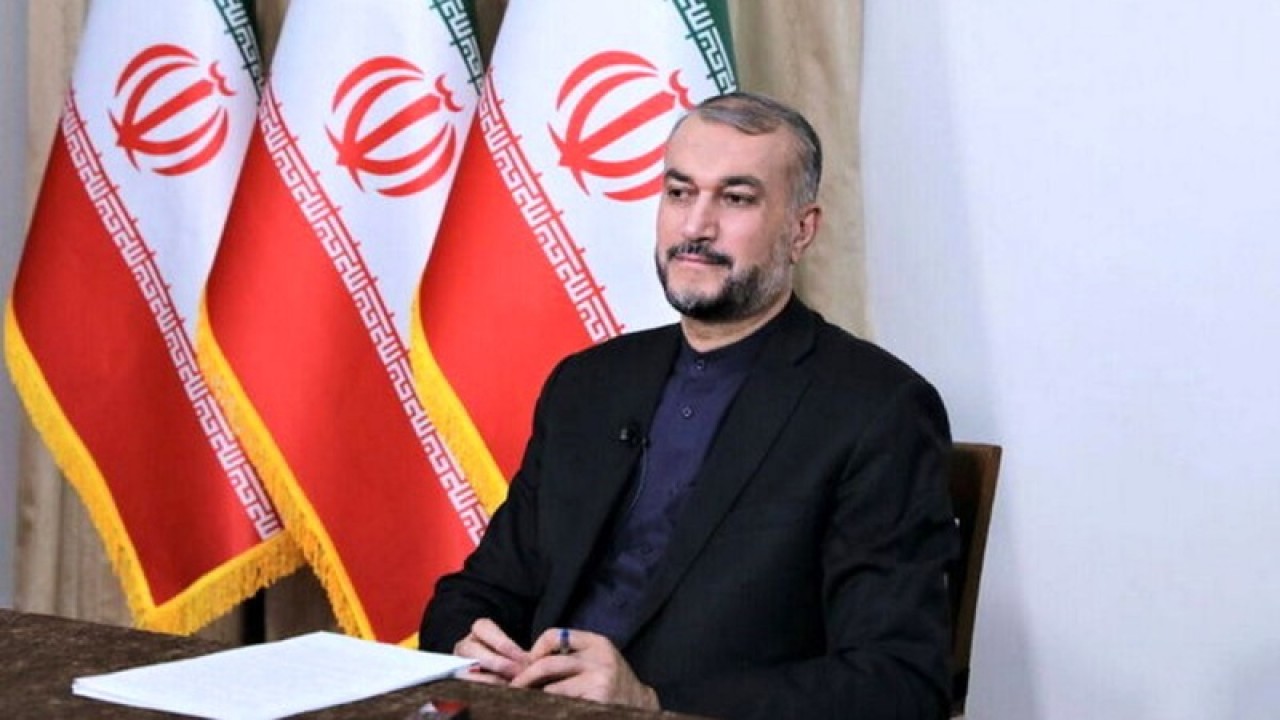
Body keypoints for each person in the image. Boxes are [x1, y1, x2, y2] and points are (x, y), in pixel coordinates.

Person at [420, 91, 957, 719]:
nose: (696, 227)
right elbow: (479, 591)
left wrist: (651, 704)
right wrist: (469, 642)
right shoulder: (589, 384)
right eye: (679, 192)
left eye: (736, 198)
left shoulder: (876, 409)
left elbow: (899, 683)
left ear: (801, 230)